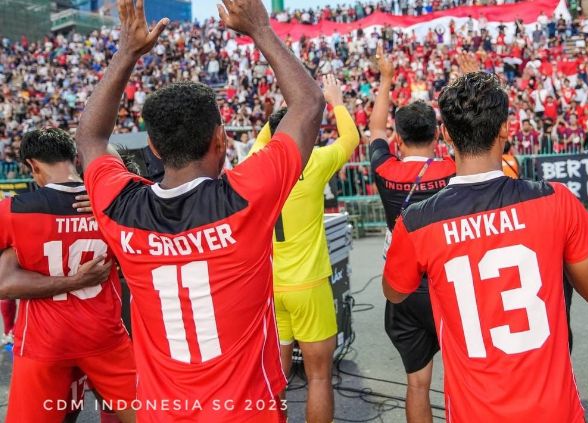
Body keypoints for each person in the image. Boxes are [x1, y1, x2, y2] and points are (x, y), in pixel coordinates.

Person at [74, 0, 324, 421]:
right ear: (221, 140)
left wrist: (126, 54)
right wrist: (260, 29)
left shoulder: (120, 208)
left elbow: (90, 140)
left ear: (152, 148)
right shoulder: (248, 196)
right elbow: (309, 105)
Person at [382, 72, 588, 421]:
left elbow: (395, 292)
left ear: (445, 135)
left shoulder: (416, 221)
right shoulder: (555, 200)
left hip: (477, 412)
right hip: (554, 409)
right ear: (505, 128)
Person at [0, 128, 137, 423]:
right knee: (151, 416)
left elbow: (3, 284)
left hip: (44, 343)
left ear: (33, 166)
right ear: (74, 158)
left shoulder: (12, 211)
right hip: (104, 335)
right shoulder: (110, 204)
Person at [247, 75, 359, 423]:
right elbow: (352, 139)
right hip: (308, 285)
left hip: (272, 287)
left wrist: (279, 117)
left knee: (275, 378)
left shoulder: (256, 164)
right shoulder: (314, 162)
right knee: (320, 377)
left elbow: (264, 138)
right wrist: (335, 101)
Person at [369, 45, 456, 423]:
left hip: (403, 283)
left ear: (398, 140)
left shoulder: (386, 171)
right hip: (447, 280)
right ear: (438, 137)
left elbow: (373, 129)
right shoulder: (452, 169)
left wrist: (386, 78)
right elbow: (467, 136)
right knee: (461, 376)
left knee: (417, 384)